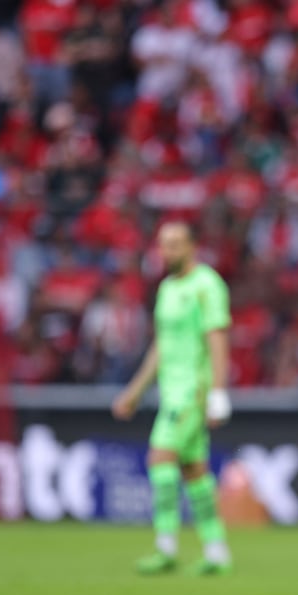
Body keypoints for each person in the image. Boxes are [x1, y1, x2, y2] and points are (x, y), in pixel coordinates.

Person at [112, 222, 234, 575]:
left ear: (193, 246)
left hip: (193, 389)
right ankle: (216, 551)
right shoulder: (167, 289)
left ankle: (165, 547)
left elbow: (218, 339)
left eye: (177, 244)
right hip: (171, 391)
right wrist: (135, 392)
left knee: (160, 456)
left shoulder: (206, 285)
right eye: (164, 245)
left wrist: (219, 393)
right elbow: (161, 348)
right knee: (194, 470)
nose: (169, 251)